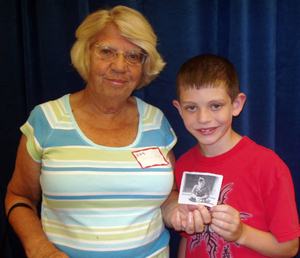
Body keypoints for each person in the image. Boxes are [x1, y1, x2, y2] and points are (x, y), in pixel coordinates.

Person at [4, 6, 210, 258]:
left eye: (133, 55)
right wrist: (39, 248)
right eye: (106, 51)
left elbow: (166, 197)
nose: (120, 66)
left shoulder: (156, 120)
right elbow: (19, 196)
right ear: (86, 54)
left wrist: (177, 212)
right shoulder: (46, 120)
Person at [172, 54, 300, 258]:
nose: (203, 118)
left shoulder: (267, 166)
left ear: (236, 105)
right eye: (191, 108)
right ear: (179, 110)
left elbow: (289, 248)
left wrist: (242, 233)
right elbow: (190, 240)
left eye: (215, 106)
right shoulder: (183, 164)